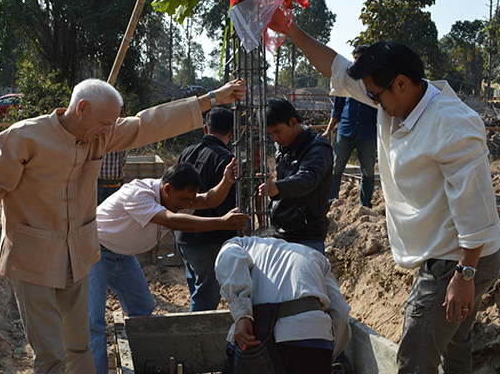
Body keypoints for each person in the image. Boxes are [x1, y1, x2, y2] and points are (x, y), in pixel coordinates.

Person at [268, 12, 500, 373]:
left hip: (460, 257)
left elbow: (475, 208)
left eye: (376, 96)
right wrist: (289, 29)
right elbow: (335, 67)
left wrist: (464, 276)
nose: (371, 102)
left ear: (400, 83)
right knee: (456, 339)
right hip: (445, 250)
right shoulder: (397, 102)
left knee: (416, 350)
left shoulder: (451, 124)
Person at [0, 78, 246, 374]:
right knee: (50, 354)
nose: (108, 131)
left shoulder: (100, 135)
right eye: (104, 122)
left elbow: (149, 123)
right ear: (82, 108)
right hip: (32, 258)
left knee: (80, 345)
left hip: (78, 255)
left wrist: (212, 99)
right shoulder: (25, 137)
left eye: (112, 124)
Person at [90, 162, 249, 374]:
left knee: (143, 309)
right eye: (184, 200)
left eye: (189, 200)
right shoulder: (138, 193)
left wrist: (227, 180)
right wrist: (221, 222)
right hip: (95, 253)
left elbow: (209, 199)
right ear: (167, 189)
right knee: (94, 323)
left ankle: (144, 362)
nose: (187, 205)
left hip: (124, 256)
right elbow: (172, 221)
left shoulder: (177, 198)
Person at [215, 228, 351, 374]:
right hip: (315, 340)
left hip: (261, 343)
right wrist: (328, 353)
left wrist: (242, 315)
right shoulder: (315, 256)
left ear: (256, 238)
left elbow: (229, 256)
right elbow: (341, 314)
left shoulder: (243, 243)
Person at [175, 107, 236, 312]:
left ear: (205, 129)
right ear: (232, 132)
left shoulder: (187, 152)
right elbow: (226, 204)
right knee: (206, 296)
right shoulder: (226, 158)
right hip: (208, 238)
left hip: (183, 234)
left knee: (196, 287)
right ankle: (195, 339)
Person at [258, 98, 333, 255]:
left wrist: (278, 188)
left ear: (292, 122)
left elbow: (307, 179)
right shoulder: (283, 146)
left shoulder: (317, 148)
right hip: (281, 232)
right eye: (270, 134)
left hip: (306, 236)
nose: (274, 138)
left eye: (277, 131)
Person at [323, 45, 377, 208]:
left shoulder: (374, 80)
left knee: (368, 172)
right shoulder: (345, 80)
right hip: (345, 130)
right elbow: (337, 108)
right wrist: (329, 130)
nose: (357, 61)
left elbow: (381, 108)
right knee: (336, 168)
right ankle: (332, 200)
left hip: (368, 133)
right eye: (355, 58)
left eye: (361, 58)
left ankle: (365, 204)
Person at [97, 107, 128, 205]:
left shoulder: (125, 133)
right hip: (98, 186)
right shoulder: (99, 131)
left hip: (116, 186)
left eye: (121, 113)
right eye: (115, 114)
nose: (118, 117)